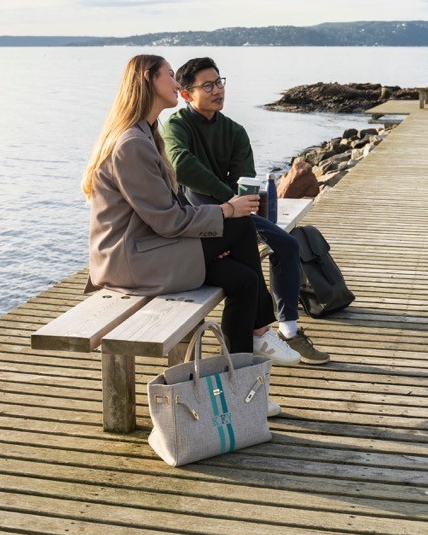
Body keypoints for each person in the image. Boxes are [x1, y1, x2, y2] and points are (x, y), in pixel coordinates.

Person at [82, 54, 286, 415]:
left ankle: (239, 390)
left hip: (154, 248)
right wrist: (223, 212)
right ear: (149, 79)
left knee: (243, 280)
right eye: (170, 76)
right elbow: (167, 220)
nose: (177, 84)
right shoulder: (131, 143)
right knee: (238, 223)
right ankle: (260, 331)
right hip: (133, 260)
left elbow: (169, 215)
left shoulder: (147, 133)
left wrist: (212, 234)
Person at [164, 57, 330, 365]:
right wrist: (227, 202)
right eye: (208, 85)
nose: (218, 90)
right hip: (200, 219)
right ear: (186, 94)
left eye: (220, 82)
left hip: (237, 215)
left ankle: (287, 330)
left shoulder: (235, 131)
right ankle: (257, 335)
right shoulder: (176, 126)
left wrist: (234, 204)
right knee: (245, 270)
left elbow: (245, 179)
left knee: (288, 244)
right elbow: (182, 167)